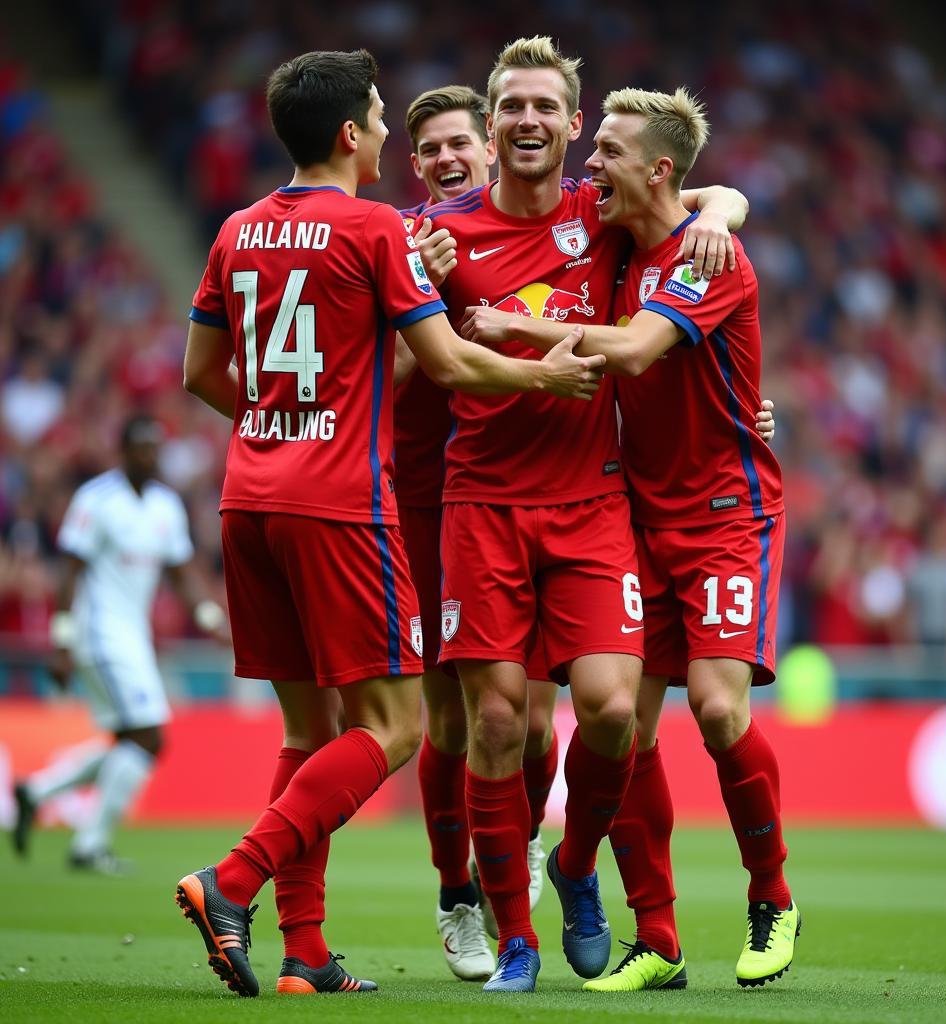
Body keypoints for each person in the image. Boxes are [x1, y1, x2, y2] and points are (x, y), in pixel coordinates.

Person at [176, 48, 603, 999]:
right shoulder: (375, 229)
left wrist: (284, 418)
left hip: (248, 498)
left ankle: (306, 953)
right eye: (377, 119)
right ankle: (231, 879)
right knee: (399, 725)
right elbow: (448, 364)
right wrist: (548, 375)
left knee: (307, 732)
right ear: (349, 136)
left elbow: (201, 375)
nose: (383, 133)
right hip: (339, 507)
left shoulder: (237, 228)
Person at [420, 36, 750, 992]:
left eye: (545, 107)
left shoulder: (598, 214)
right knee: (494, 722)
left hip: (591, 503)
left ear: (573, 124)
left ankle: (573, 869)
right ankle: (513, 940)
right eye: (510, 106)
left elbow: (702, 196)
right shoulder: (434, 237)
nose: (527, 120)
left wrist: (722, 207)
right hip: (480, 502)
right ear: (492, 125)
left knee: (610, 710)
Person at [397, 85, 558, 982]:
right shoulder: (402, 244)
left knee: (534, 723)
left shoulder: (540, 225)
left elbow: (684, 197)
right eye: (431, 150)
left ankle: (521, 844)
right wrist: (416, 287)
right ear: (415, 166)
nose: (449, 158)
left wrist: (725, 205)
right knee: (451, 717)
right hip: (423, 502)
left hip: (526, 496)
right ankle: (458, 892)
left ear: (490, 150)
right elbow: (378, 374)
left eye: (462, 142)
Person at [10, 414, 229, 874]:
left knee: (130, 740)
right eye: (143, 448)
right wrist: (62, 641)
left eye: (155, 448)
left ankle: (37, 792)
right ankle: (89, 844)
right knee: (149, 738)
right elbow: (69, 572)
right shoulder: (97, 500)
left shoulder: (166, 506)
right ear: (124, 451)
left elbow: (180, 573)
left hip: (133, 636)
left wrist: (209, 616)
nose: (150, 456)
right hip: (100, 632)